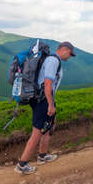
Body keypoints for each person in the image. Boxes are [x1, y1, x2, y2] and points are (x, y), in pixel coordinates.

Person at [15, 41, 76, 174]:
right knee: (37, 132)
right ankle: (22, 165)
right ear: (64, 50)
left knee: (50, 124)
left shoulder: (52, 60)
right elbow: (47, 84)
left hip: (44, 98)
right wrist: (50, 104)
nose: (70, 57)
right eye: (70, 54)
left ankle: (42, 156)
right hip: (42, 100)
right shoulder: (53, 61)